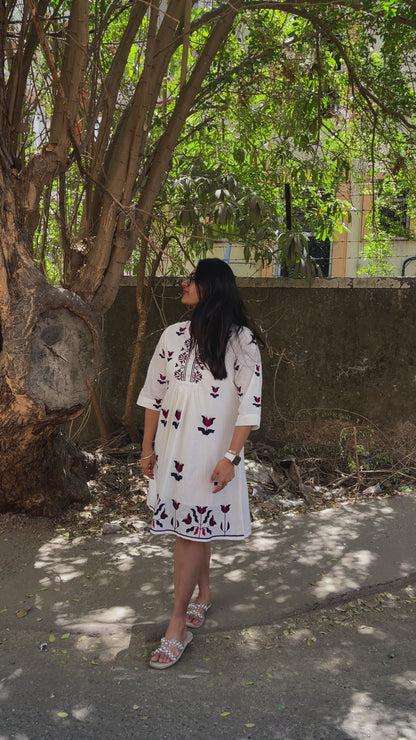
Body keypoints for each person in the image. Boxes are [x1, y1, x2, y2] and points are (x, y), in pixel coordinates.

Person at [137, 258, 262, 669]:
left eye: (193, 279)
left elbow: (249, 407)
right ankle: (202, 596)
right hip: (173, 454)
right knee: (193, 528)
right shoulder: (172, 336)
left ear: (212, 287)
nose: (184, 283)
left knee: (187, 535)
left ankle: (177, 626)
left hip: (212, 457)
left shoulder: (241, 341)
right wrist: (147, 449)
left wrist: (230, 458)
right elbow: (153, 395)